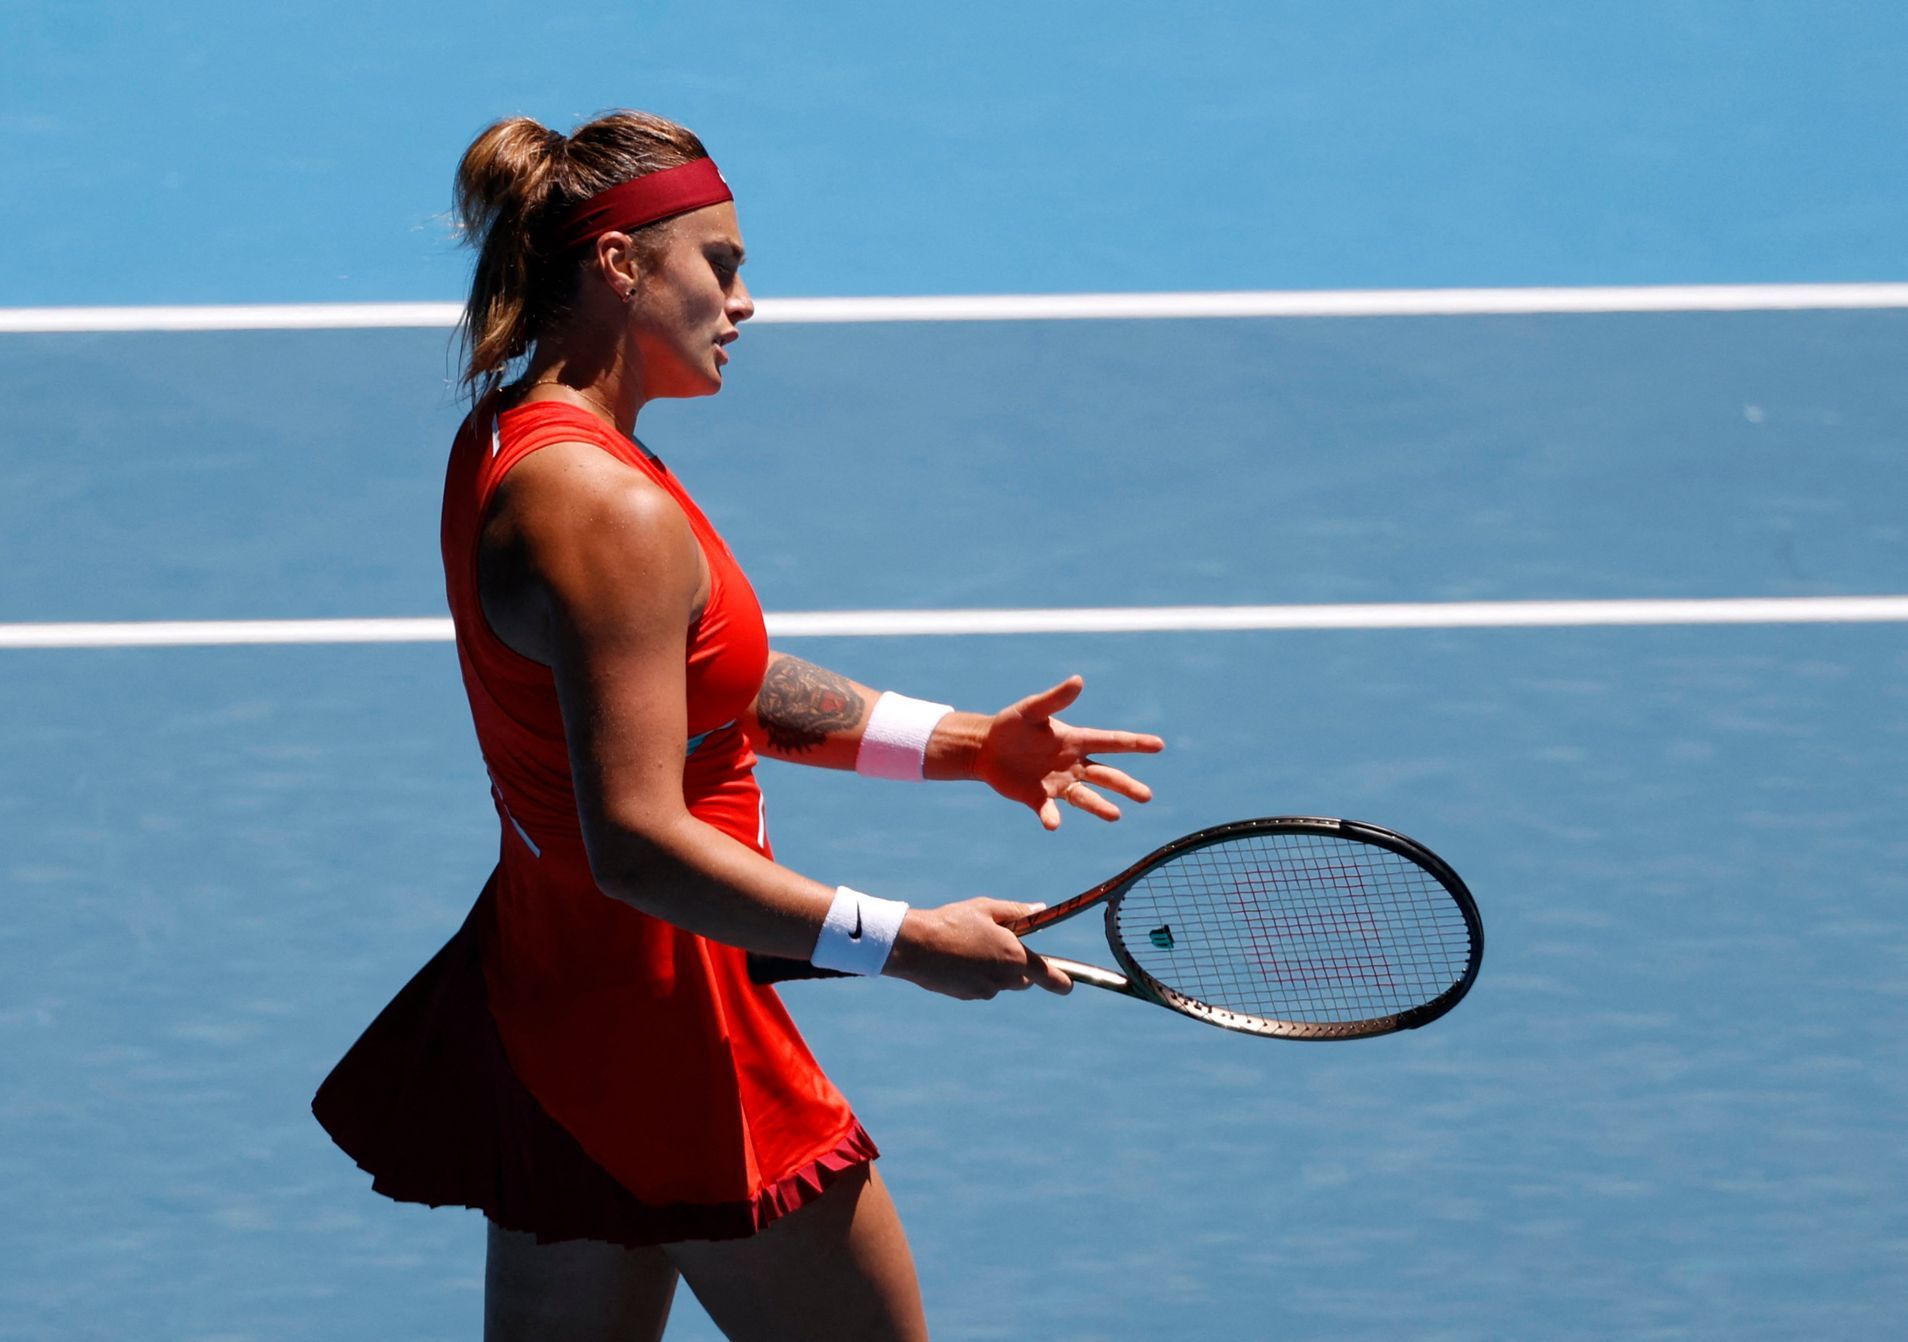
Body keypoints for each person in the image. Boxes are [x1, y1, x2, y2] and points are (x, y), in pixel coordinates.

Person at [313, 109, 1163, 1342]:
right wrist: (904, 940)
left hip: (562, 995)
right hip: (664, 1029)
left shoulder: (519, 440)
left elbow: (704, 680)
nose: (746, 300)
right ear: (621, 265)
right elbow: (640, 843)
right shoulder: (607, 511)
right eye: (721, 261)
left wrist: (963, 743)